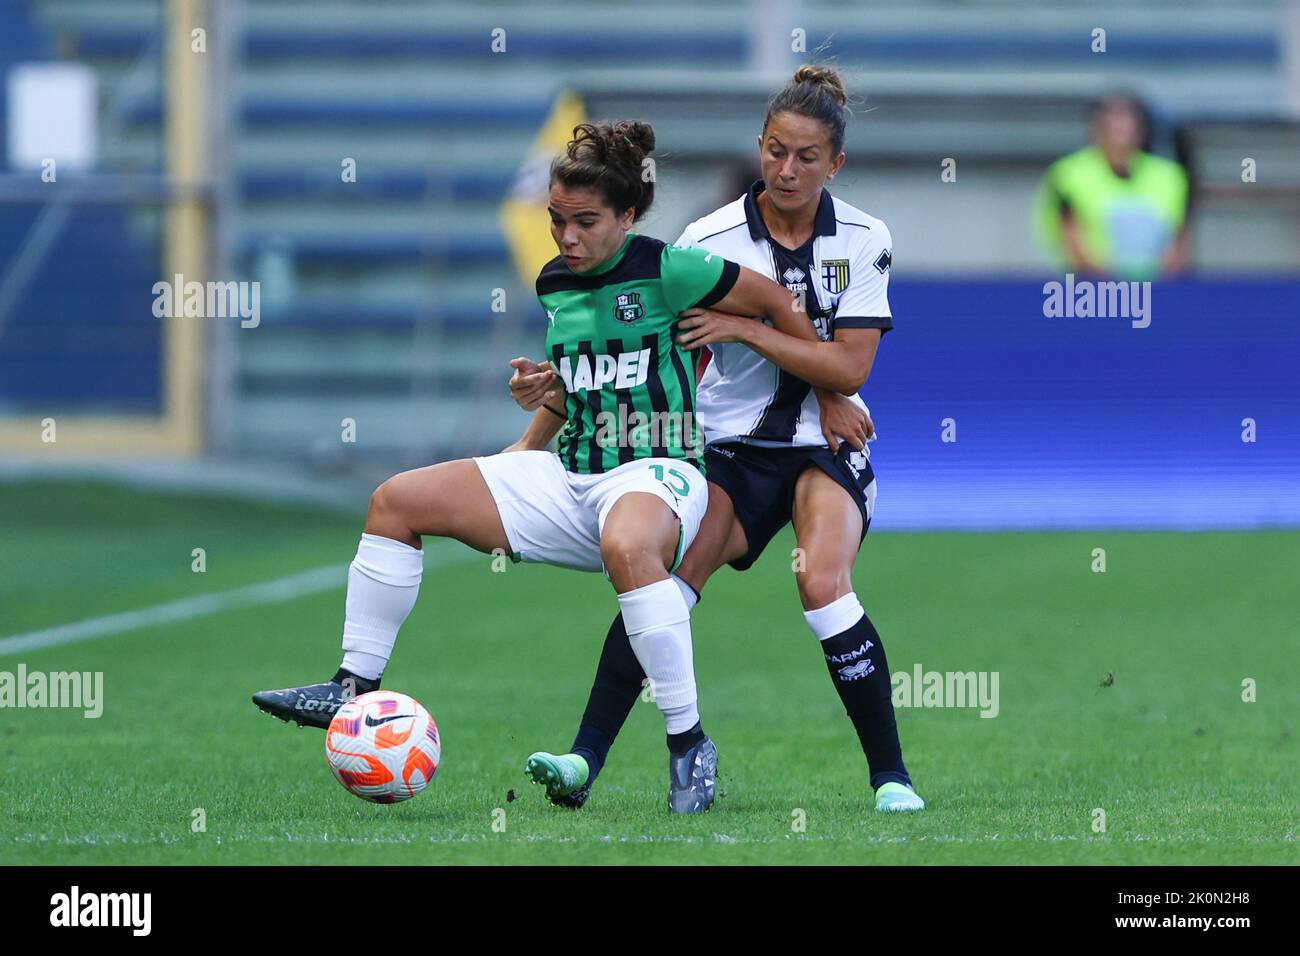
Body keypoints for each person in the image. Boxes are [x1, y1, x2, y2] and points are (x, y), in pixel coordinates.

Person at [252, 119, 859, 814]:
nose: (567, 238)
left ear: (627, 216)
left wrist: (830, 391)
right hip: (572, 476)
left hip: (658, 472)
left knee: (630, 545)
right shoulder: (555, 281)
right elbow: (588, 384)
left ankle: (688, 743)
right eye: (557, 221)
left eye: (585, 222)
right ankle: (352, 686)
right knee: (395, 501)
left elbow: (781, 304)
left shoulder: (672, 268)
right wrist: (540, 403)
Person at [509, 66, 924, 814]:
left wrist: (753, 335)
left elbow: (853, 364)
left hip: (824, 443)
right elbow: (636, 357)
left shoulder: (865, 238)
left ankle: (891, 777)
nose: (785, 169)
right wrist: (547, 414)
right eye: (773, 150)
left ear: (836, 163)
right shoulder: (708, 236)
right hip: (726, 443)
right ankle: (583, 758)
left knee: (820, 581)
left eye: (805, 157)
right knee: (665, 583)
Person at [1037, 93, 1190, 279]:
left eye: (1127, 124)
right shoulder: (1069, 174)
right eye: (1112, 125)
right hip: (1091, 293)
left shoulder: (1169, 176)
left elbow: (1177, 241)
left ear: (1141, 130)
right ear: (1096, 129)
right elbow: (1072, 241)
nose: (1120, 132)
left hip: (1155, 290)